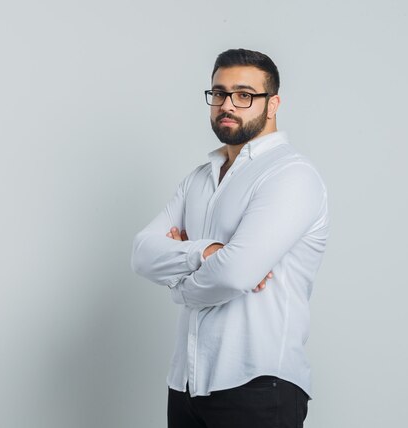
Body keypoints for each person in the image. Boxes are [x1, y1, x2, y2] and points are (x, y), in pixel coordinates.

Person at [131, 48, 329, 428]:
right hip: (186, 385)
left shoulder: (290, 175)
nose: (227, 104)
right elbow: (141, 252)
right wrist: (205, 251)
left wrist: (180, 288)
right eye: (219, 93)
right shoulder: (199, 179)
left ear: (273, 104)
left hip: (258, 384)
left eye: (244, 95)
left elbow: (234, 274)